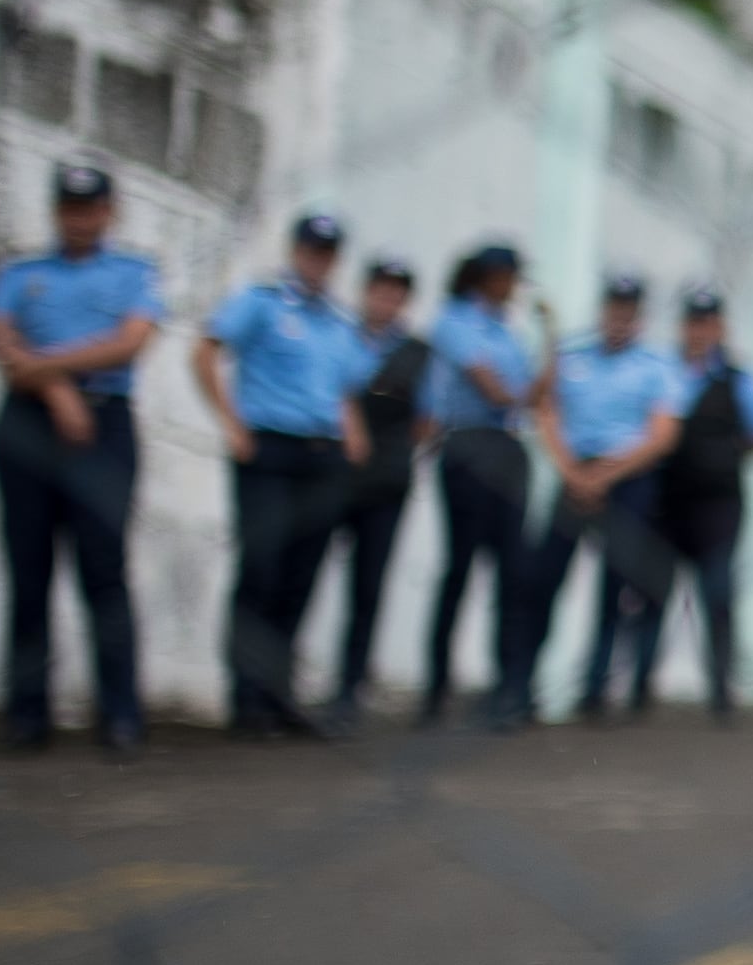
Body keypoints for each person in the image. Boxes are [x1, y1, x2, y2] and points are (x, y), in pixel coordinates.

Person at [0, 160, 162, 755]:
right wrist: (58, 392)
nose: (80, 219)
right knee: (29, 572)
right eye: (69, 208)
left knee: (104, 571)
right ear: (56, 211)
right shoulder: (19, 273)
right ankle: (27, 716)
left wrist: (46, 367)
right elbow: (1, 340)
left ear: (109, 212)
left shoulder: (134, 273)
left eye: (91, 208)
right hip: (28, 421)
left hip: (104, 426)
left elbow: (130, 341)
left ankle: (121, 716)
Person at [192, 208, 378, 739]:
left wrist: (354, 436)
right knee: (262, 569)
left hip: (322, 460)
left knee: (302, 575)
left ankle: (278, 695)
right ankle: (244, 697)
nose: (318, 261)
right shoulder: (262, 302)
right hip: (268, 451)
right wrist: (230, 423)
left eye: (328, 253)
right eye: (311, 250)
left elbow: (344, 391)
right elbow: (206, 352)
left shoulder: (342, 326)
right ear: (295, 250)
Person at [526, 272, 683, 721]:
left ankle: (595, 689)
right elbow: (544, 410)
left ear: (639, 316)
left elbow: (661, 436)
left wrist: (606, 475)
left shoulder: (654, 366)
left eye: (629, 310)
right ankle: (522, 683)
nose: (620, 318)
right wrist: (571, 470)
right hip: (574, 473)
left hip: (625, 480)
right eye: (614, 307)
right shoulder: (572, 356)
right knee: (543, 580)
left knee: (613, 589)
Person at [414, 243, 543, 729]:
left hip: (507, 448)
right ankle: (436, 688)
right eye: (508, 277)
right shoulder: (456, 321)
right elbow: (498, 390)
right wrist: (529, 393)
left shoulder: (509, 331)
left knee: (514, 572)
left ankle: (509, 689)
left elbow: (529, 394)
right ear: (488, 277)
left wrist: (549, 348)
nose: (513, 287)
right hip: (468, 447)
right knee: (460, 570)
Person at [651, 283, 753, 718]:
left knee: (717, 594)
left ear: (720, 327)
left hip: (718, 505)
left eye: (708, 322)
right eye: (693, 322)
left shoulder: (738, 379)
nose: (700, 331)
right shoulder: (663, 370)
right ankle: (635, 691)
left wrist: (720, 452)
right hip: (668, 502)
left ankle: (722, 690)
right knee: (650, 592)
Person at [329, 256, 429, 727]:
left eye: (396, 292)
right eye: (380, 289)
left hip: (386, 481)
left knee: (367, 587)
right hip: (329, 477)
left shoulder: (417, 353)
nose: (386, 300)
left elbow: (428, 420)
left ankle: (349, 689)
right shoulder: (336, 333)